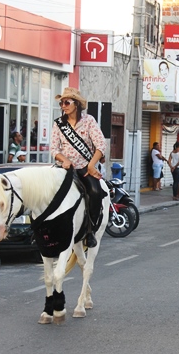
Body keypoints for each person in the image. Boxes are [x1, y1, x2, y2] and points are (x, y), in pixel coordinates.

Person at [51, 87, 107, 248]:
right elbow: (54, 149)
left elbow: (101, 144)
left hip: (84, 167)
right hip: (64, 168)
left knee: (95, 193)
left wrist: (91, 165)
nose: (63, 105)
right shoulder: (59, 124)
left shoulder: (89, 121)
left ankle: (90, 230)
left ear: (76, 104)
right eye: (61, 103)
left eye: (67, 102)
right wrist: (63, 159)